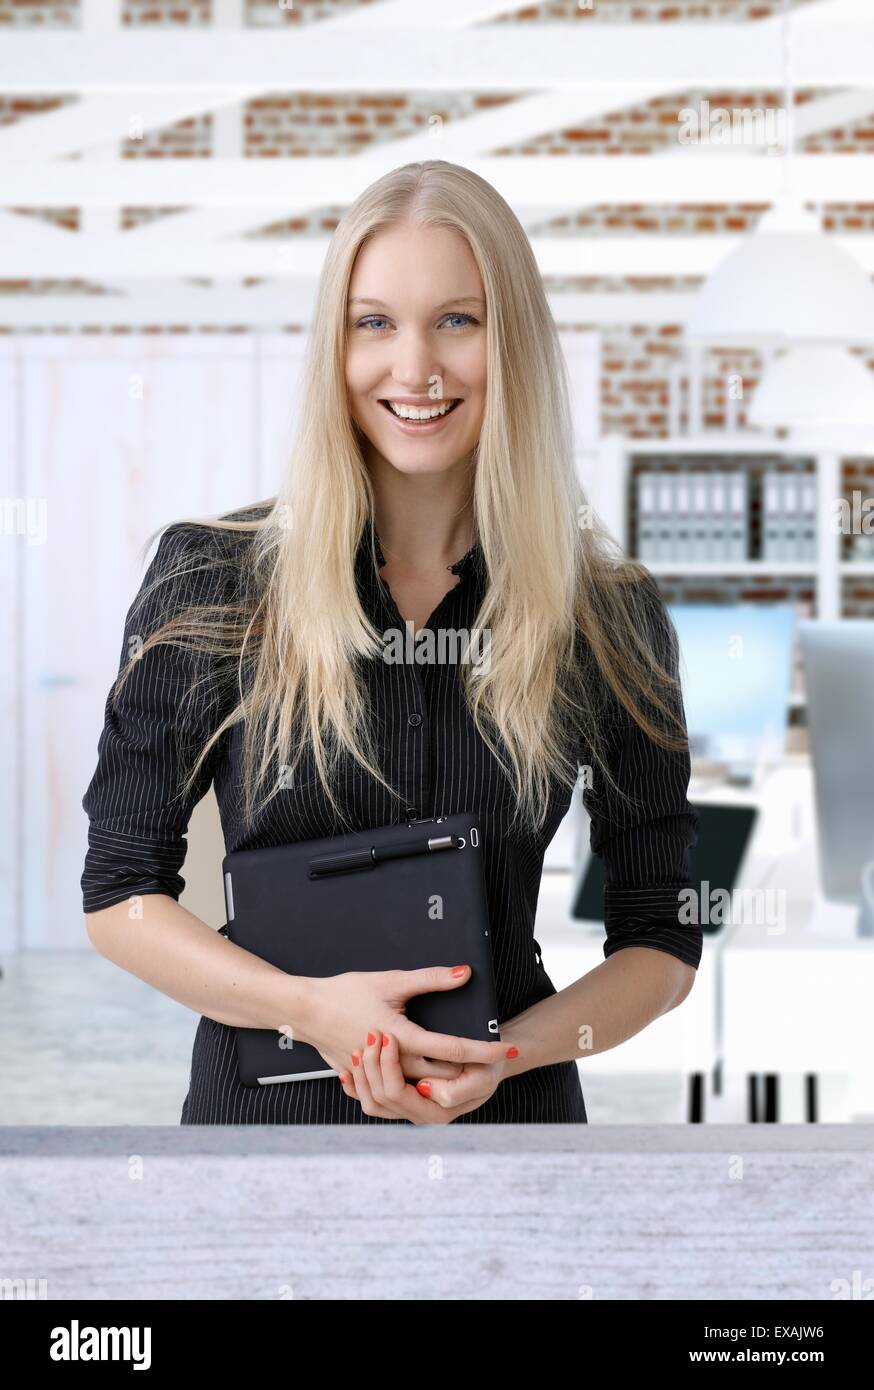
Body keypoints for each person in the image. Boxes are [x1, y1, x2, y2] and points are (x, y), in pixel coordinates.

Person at [81, 160, 701, 1125]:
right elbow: (120, 897)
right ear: (336, 345)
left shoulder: (606, 616)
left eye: (458, 319)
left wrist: (505, 1054)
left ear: (515, 344)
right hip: (264, 1145)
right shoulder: (212, 580)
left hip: (510, 1134)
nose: (415, 368)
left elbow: (661, 943)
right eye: (374, 323)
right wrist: (309, 1011)